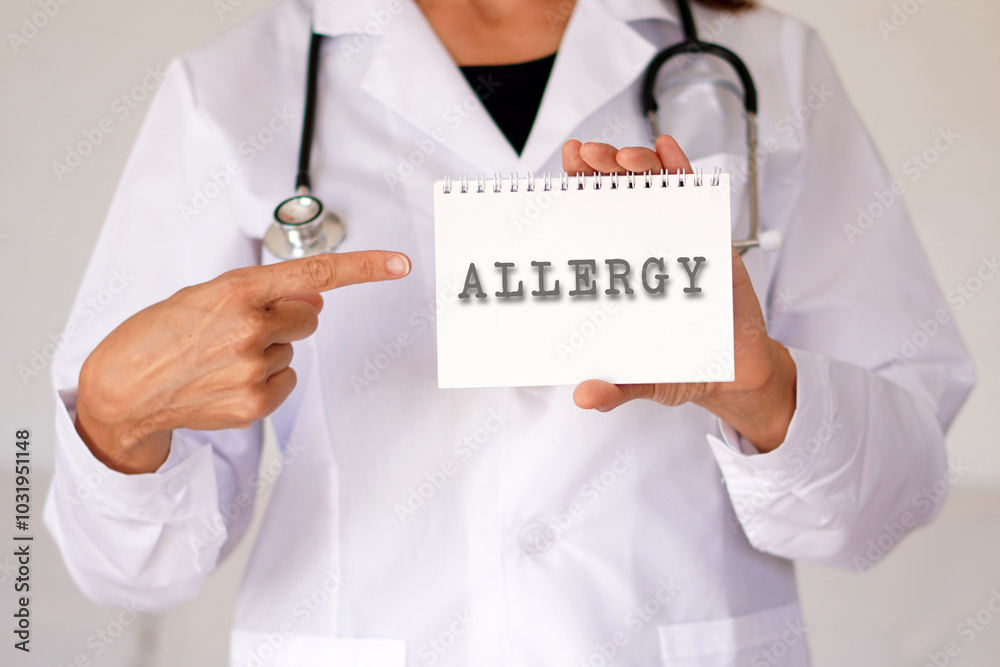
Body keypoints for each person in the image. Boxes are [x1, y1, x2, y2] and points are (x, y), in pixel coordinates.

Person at [44, 0, 974, 664]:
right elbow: (134, 568)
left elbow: (887, 502)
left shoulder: (766, 63)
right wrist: (118, 425)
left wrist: (765, 388)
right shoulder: (236, 88)